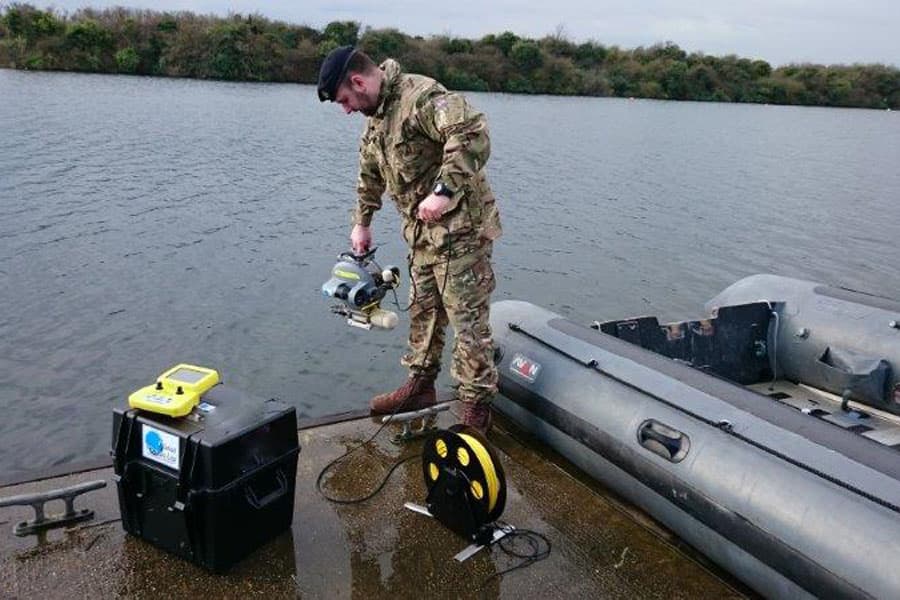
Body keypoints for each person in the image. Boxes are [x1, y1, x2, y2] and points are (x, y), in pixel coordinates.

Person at [317, 46, 502, 433]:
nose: (346, 109)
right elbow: (369, 173)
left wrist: (444, 191)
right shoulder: (376, 119)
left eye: (345, 100)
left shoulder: (421, 97)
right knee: (423, 311)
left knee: (467, 322)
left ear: (358, 81)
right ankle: (420, 386)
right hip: (421, 237)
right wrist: (362, 222)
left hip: (461, 232)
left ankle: (476, 410)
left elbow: (472, 133)